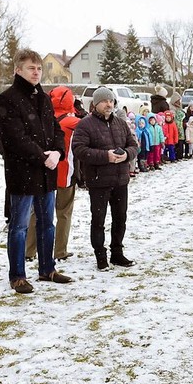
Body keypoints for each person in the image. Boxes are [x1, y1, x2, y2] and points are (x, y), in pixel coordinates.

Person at [0, 49, 71, 294]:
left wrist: (58, 153)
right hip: (23, 172)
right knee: (19, 226)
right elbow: (16, 138)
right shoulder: (8, 98)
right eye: (31, 68)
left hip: (47, 172)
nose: (36, 72)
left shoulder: (44, 98)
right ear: (18, 70)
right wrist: (42, 157)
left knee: (47, 223)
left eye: (39, 68)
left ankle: (47, 268)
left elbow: (56, 130)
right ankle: (17, 275)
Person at [72, 87, 139, 270]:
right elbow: (79, 149)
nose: (109, 104)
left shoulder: (120, 123)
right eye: (105, 101)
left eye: (111, 101)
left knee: (120, 218)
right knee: (98, 220)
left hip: (120, 180)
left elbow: (134, 145)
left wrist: (126, 154)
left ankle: (117, 253)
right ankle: (100, 255)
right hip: (98, 180)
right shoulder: (85, 124)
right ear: (95, 104)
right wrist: (105, 156)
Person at [26, 86, 79, 264]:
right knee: (64, 212)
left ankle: (29, 249)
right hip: (65, 172)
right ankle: (60, 250)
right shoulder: (73, 122)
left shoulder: (43, 118)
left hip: (45, 171)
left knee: (36, 212)